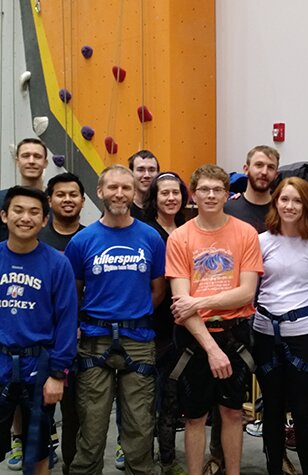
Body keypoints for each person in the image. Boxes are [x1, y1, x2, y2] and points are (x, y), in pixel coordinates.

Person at [0, 186, 77, 475]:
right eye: (18, 210)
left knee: (38, 455)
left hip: (39, 370)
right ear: (4, 215)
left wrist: (57, 374)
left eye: (34, 212)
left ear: (44, 220)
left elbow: (66, 322)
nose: (25, 218)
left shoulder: (58, 264)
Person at [65, 165, 166, 475]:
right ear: (100, 192)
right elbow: (74, 292)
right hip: (95, 341)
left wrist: (132, 315)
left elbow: (158, 289)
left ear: (134, 192)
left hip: (138, 341)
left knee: (140, 425)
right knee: (92, 427)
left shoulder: (150, 237)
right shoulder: (83, 241)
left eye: (126, 187)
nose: (120, 193)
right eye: (113, 187)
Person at [165, 164, 263, 475]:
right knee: (194, 417)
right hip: (196, 339)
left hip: (234, 333)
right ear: (193, 195)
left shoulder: (245, 233)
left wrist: (200, 301)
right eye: (204, 189)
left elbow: (246, 293)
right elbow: (182, 306)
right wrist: (211, 349)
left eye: (217, 189)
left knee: (233, 413)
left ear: (226, 193)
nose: (210, 195)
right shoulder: (180, 238)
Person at [253, 177, 308, 475]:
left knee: (301, 410)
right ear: (276, 203)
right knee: (271, 409)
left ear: (307, 205)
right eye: (284, 199)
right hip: (265, 334)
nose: (290, 206)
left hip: (303, 336)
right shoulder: (261, 241)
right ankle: (274, 468)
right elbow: (252, 290)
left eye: (297, 200)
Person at [37, 172, 86, 475]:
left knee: (74, 413)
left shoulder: (91, 237)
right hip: (38, 338)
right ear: (49, 200)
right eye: (60, 194)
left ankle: (70, 465)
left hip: (80, 338)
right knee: (38, 412)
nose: (67, 200)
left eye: (73, 194)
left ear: (83, 199)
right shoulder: (35, 238)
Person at [142, 172, 189, 475]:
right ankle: (142, 458)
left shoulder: (189, 231)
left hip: (185, 326)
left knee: (173, 398)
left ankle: (169, 460)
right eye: (164, 193)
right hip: (151, 327)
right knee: (146, 400)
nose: (171, 198)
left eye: (176, 193)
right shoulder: (145, 232)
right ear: (154, 199)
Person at [0, 138, 49, 242]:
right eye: (26, 156)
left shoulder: (55, 202)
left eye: (37, 157)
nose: (31, 161)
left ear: (45, 163)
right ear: (17, 162)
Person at [224, 145, 280, 233]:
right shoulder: (227, 210)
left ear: (276, 175)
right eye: (259, 165)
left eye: (270, 167)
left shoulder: (281, 211)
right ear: (246, 169)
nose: (264, 172)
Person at [128, 149, 160, 220]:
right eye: (140, 170)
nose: (147, 175)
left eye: (151, 170)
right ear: (131, 174)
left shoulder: (165, 208)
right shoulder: (123, 208)